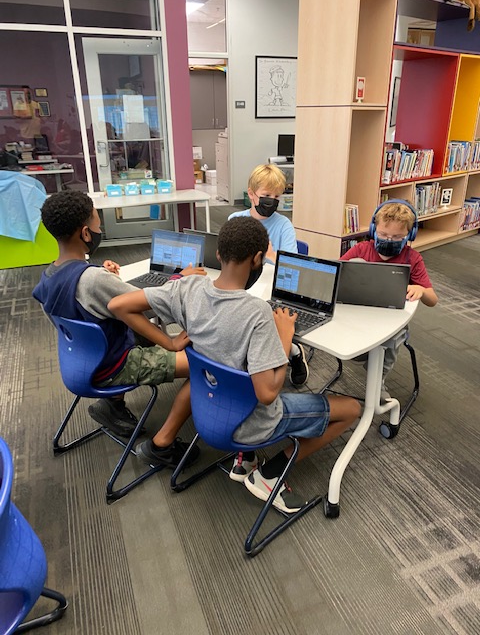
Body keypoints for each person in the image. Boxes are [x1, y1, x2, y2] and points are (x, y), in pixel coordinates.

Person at [108, 217, 361, 513]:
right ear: (257, 258)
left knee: (233, 368)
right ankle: (270, 474)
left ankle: (246, 459)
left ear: (218, 254)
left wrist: (170, 343)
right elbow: (267, 394)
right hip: (248, 423)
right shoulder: (257, 313)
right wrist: (283, 339)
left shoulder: (187, 287)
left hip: (206, 410)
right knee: (352, 409)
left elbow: (118, 306)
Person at [32, 190, 205, 467]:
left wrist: (100, 272)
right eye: (98, 225)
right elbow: (150, 304)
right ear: (86, 233)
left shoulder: (49, 277)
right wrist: (178, 278)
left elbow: (83, 301)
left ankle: (112, 406)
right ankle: (163, 445)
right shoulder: (92, 280)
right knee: (202, 364)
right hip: (113, 366)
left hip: (81, 362)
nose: (100, 230)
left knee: (136, 329)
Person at [340, 199, 438, 400]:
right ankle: (366, 356)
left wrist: (420, 289)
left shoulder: (412, 258)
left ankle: (379, 378)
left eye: (397, 237)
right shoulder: (361, 249)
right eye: (383, 234)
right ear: (374, 230)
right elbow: (335, 273)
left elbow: (432, 300)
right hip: (360, 312)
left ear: (410, 235)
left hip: (391, 318)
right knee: (354, 264)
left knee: (391, 341)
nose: (389, 240)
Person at [229, 164, 308, 387]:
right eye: (266, 195)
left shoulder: (283, 225)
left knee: (259, 319)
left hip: (272, 288)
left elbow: (293, 267)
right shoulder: (236, 219)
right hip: (243, 285)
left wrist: (271, 255)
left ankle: (293, 352)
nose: (271, 201)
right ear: (251, 194)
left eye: (276, 197)